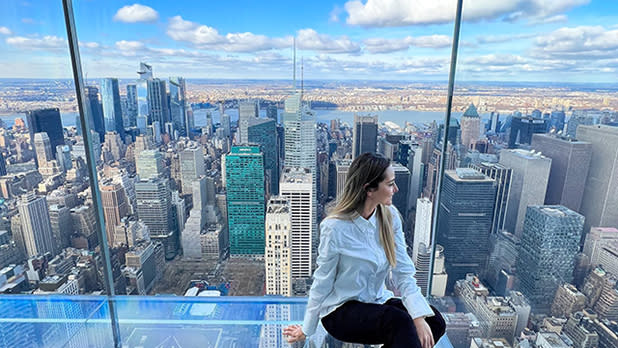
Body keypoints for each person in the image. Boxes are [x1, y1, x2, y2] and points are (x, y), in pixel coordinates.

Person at [283, 152, 445, 348]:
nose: (396, 189)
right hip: (340, 311)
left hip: (376, 303)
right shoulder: (334, 227)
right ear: (369, 189)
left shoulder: (390, 217)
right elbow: (322, 282)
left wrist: (419, 317)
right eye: (390, 183)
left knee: (434, 320)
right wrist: (306, 329)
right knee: (398, 322)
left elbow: (403, 273)